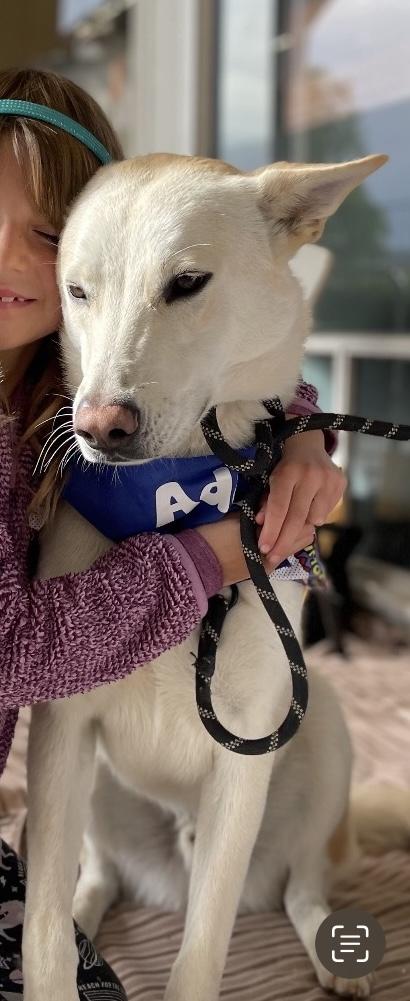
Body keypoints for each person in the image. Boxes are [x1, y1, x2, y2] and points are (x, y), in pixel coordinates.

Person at [0, 67, 345, 997]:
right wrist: (216, 552)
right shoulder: (56, 427)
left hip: (225, 771)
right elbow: (22, 654)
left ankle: (319, 909)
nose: (102, 407)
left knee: (308, 719)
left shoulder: (39, 388)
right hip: (88, 747)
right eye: (86, 287)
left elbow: (261, 369)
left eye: (39, 235)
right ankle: (83, 900)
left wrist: (305, 428)